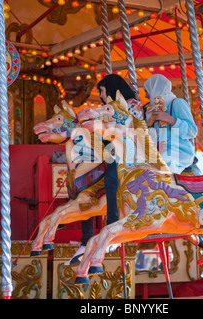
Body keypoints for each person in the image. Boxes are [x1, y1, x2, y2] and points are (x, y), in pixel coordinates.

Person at [67, 74, 143, 265]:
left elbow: (126, 129)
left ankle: (113, 223)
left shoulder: (132, 105)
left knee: (111, 176)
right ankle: (86, 239)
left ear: (110, 89)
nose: (100, 95)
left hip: (130, 154)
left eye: (101, 91)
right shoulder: (108, 108)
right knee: (86, 184)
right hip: (112, 151)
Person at [143, 74, 200, 175]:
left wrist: (170, 119)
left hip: (178, 152)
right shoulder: (152, 111)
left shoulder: (177, 103)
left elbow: (192, 131)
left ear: (155, 89)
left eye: (146, 91)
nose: (146, 96)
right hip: (159, 152)